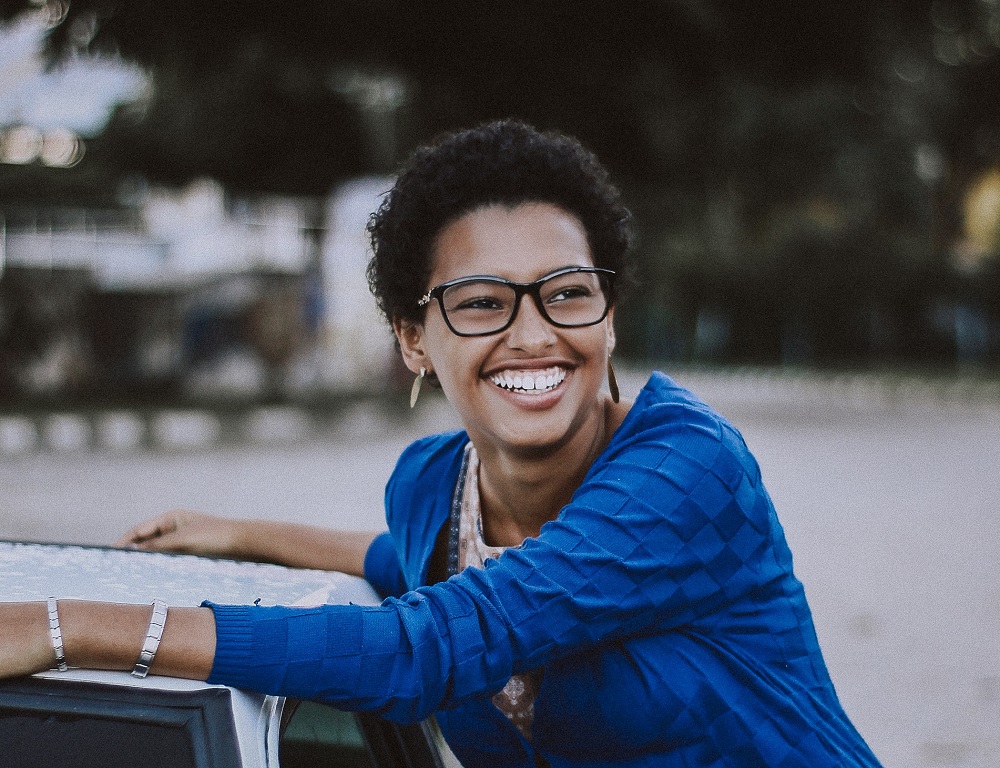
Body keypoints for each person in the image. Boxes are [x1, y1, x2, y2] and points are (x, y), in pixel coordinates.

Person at [0, 119, 882, 767]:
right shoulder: (429, 486)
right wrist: (237, 532)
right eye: (480, 301)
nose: (534, 335)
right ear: (413, 338)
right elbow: (416, 562)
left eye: (567, 293)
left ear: (609, 316)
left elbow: (425, 646)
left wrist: (65, 628)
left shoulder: (686, 475)